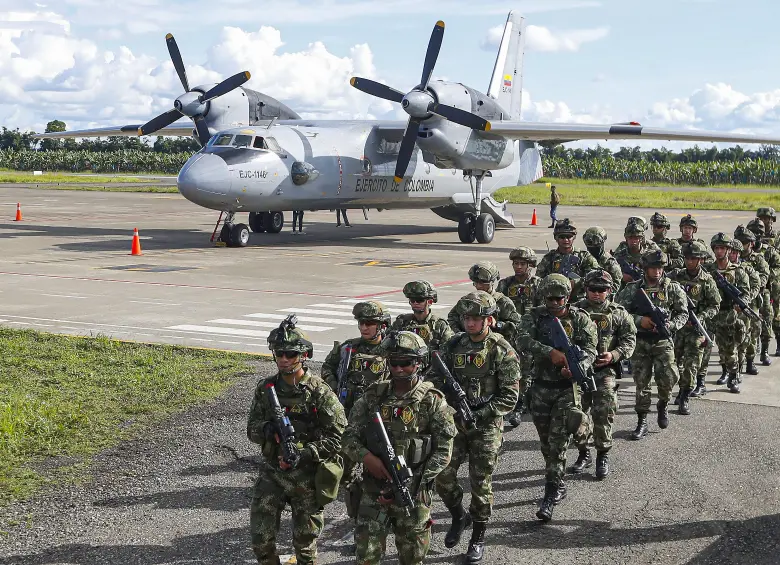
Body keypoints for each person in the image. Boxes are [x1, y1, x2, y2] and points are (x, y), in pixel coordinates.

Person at [342, 331, 457, 565]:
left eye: (405, 363)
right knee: (366, 557)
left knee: (412, 558)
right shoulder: (374, 396)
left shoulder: (432, 401)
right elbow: (348, 436)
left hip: (411, 493)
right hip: (373, 491)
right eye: (394, 363)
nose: (399, 369)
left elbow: (444, 450)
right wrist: (366, 458)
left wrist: (412, 482)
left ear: (418, 363)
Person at [247, 319, 347, 565]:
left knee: (305, 546)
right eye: (279, 353)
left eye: (290, 354)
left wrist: (307, 452)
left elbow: (339, 436)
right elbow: (252, 429)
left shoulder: (319, 392)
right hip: (274, 473)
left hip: (308, 477)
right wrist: (268, 429)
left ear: (303, 355)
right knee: (261, 539)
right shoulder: (266, 388)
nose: (283, 359)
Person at [431, 291, 521, 562]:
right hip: (455, 421)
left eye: (476, 318)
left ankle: (478, 537)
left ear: (489, 320)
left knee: (480, 483)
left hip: (486, 425)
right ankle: (460, 515)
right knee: (442, 476)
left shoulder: (501, 349)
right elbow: (436, 378)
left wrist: (481, 414)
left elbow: (509, 396)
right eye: (466, 318)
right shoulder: (454, 345)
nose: (469, 323)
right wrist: (448, 405)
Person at [516, 274, 596, 520]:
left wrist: (576, 366)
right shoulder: (534, 316)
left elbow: (591, 350)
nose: (554, 303)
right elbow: (522, 340)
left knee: (558, 442)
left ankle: (550, 493)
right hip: (540, 387)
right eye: (550, 298)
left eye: (559, 298)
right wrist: (548, 351)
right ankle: (558, 477)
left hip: (566, 389)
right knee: (546, 442)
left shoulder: (581, 319)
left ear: (567, 296)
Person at [321, 301, 391, 527]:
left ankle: (382, 519)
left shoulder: (392, 351)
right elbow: (327, 369)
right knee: (346, 474)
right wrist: (336, 388)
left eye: (370, 323)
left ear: (382, 325)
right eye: (361, 323)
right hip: (350, 419)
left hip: (380, 422)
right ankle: (356, 518)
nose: (364, 327)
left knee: (382, 474)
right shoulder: (348, 348)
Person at [616, 250, 688, 439]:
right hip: (640, 342)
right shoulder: (633, 289)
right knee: (642, 384)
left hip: (663, 341)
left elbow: (683, 313)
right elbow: (619, 313)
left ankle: (663, 404)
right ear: (645, 268)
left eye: (660, 268)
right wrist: (640, 321)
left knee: (668, 379)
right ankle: (642, 421)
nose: (656, 272)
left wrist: (671, 325)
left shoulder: (672, 288)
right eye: (652, 268)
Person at [572, 270, 636, 478]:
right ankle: (583, 452)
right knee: (575, 415)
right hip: (579, 370)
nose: (597, 294)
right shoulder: (574, 312)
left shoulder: (618, 313)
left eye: (602, 290)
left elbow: (629, 340)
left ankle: (602, 454)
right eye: (593, 289)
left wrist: (614, 354)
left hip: (604, 370)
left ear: (609, 291)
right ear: (586, 289)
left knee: (604, 413)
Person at [667, 242, 721, 408]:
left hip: (696, 329)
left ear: (701, 260)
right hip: (677, 327)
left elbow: (715, 305)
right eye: (687, 258)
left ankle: (684, 396)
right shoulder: (676, 276)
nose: (689, 261)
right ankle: (680, 387)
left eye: (693, 258)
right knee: (673, 362)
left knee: (692, 364)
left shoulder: (707, 280)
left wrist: (702, 316)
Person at [496, 247, 542, 426]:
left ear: (530, 265)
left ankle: (521, 404)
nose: (518, 267)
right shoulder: (505, 284)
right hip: (509, 334)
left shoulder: (538, 284)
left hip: (529, 334)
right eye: (516, 264)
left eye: (522, 264)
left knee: (526, 370)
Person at [703, 233, 750, 393]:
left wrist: (740, 303)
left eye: (722, 248)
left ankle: (732, 377)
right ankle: (700, 382)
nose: (719, 251)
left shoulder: (738, 271)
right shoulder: (707, 269)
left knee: (729, 350)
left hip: (728, 314)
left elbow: (745, 292)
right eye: (716, 248)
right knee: (705, 348)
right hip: (710, 314)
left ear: (729, 250)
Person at [447, 261, 522, 345]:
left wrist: (498, 325)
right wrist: (461, 334)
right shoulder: (468, 301)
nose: (479, 286)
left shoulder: (503, 302)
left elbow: (517, 326)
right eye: (476, 282)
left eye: (483, 283)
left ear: (492, 282)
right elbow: (452, 318)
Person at [536, 218, 600, 300]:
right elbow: (539, 281)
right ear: (556, 238)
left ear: (574, 237)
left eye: (569, 236)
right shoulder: (549, 258)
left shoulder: (584, 257)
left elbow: (596, 278)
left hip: (579, 301)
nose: (566, 240)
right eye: (562, 237)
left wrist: (576, 283)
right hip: (555, 301)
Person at [391, 280, 454, 352]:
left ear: (429, 302)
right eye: (412, 300)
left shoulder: (440, 325)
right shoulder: (401, 323)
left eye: (419, 300)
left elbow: (449, 352)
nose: (415, 303)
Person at [582, 226, 623, 293]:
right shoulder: (584, 258)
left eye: (596, 246)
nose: (593, 249)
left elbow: (616, 287)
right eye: (590, 246)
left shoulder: (610, 262)